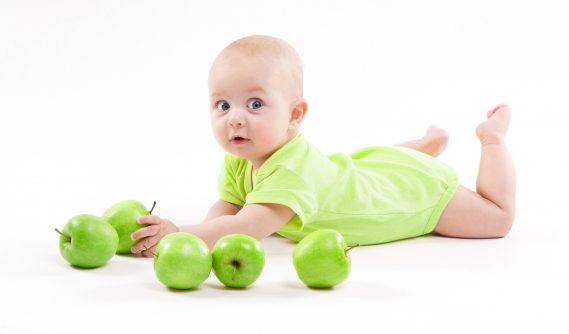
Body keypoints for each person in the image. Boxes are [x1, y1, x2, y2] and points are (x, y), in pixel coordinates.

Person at [130, 35, 516, 257]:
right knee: (375, 169)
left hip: (414, 193)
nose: (235, 117)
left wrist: (180, 233)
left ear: (295, 115)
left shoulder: (291, 171)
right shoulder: (240, 155)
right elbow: (229, 207)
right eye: (223, 104)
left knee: (496, 219)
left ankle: (491, 140)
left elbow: (247, 226)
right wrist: (209, 231)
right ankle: (423, 146)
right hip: (366, 170)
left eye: (255, 104)